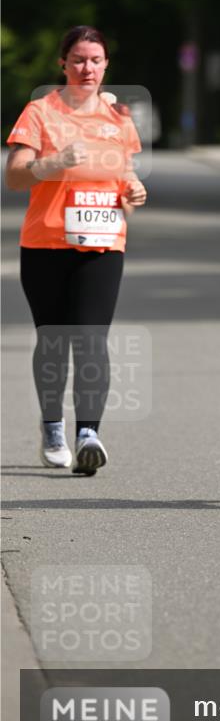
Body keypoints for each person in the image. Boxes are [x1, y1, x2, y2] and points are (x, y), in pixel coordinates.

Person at [5, 25, 147, 474]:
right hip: (46, 242)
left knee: (90, 339)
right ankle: (52, 427)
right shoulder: (40, 112)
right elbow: (15, 176)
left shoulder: (118, 119)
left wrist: (133, 192)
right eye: (79, 60)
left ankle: (89, 433)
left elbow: (124, 176)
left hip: (103, 243)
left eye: (96, 61)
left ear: (106, 66)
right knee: (53, 340)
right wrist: (52, 163)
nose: (87, 68)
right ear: (63, 64)